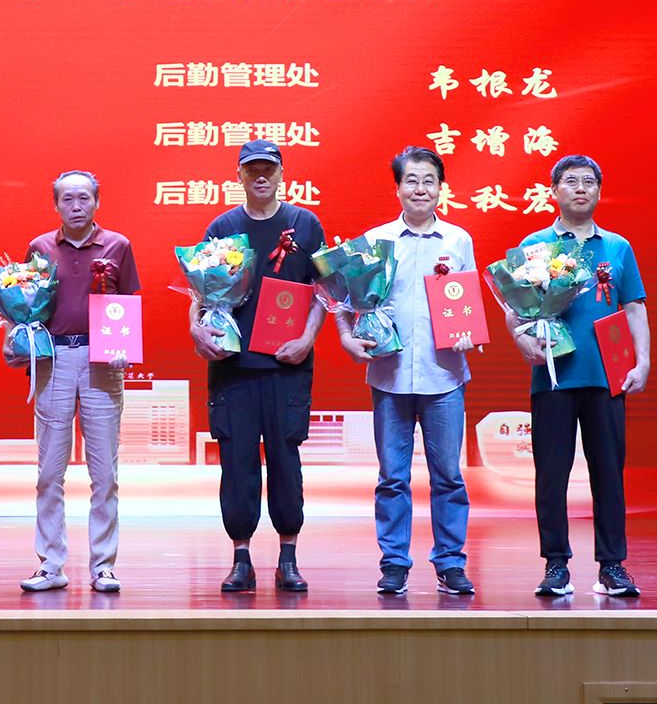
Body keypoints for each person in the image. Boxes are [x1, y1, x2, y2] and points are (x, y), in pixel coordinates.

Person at [336, 146, 478, 598]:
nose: (420, 189)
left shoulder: (458, 241)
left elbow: (467, 303)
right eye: (411, 180)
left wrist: (468, 333)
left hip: (444, 375)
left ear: (441, 188)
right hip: (390, 375)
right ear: (397, 188)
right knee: (392, 477)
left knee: (448, 476)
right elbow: (344, 298)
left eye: (429, 181)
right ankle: (394, 563)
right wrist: (347, 336)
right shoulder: (376, 241)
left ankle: (450, 563)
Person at [190, 139, 326, 594]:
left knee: (286, 462)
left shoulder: (305, 224)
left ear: (282, 173)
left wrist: (307, 339)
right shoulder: (223, 227)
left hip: (287, 366)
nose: (261, 176)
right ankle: (241, 560)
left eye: (269, 168)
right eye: (252, 170)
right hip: (234, 368)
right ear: (239, 176)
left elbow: (324, 292)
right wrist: (196, 329)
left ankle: (288, 559)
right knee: (237, 464)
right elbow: (200, 291)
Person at [513, 154, 648, 600]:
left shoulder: (618, 247)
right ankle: (556, 564)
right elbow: (516, 307)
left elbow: (634, 307)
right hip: (554, 375)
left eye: (589, 182)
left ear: (599, 191)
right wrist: (521, 340)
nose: (580, 189)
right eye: (570, 182)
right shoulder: (536, 245)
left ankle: (612, 565)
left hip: (607, 374)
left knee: (609, 472)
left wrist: (643, 361)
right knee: (551, 473)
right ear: (554, 191)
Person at [19, 170, 140, 595]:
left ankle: (103, 566)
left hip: (101, 362)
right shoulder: (40, 248)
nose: (76, 206)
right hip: (55, 359)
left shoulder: (118, 245)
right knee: (49, 472)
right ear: (56, 204)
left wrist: (124, 345)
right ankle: (51, 564)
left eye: (83, 198)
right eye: (67, 199)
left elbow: (127, 302)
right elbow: (26, 303)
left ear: (97, 202)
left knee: (104, 474)